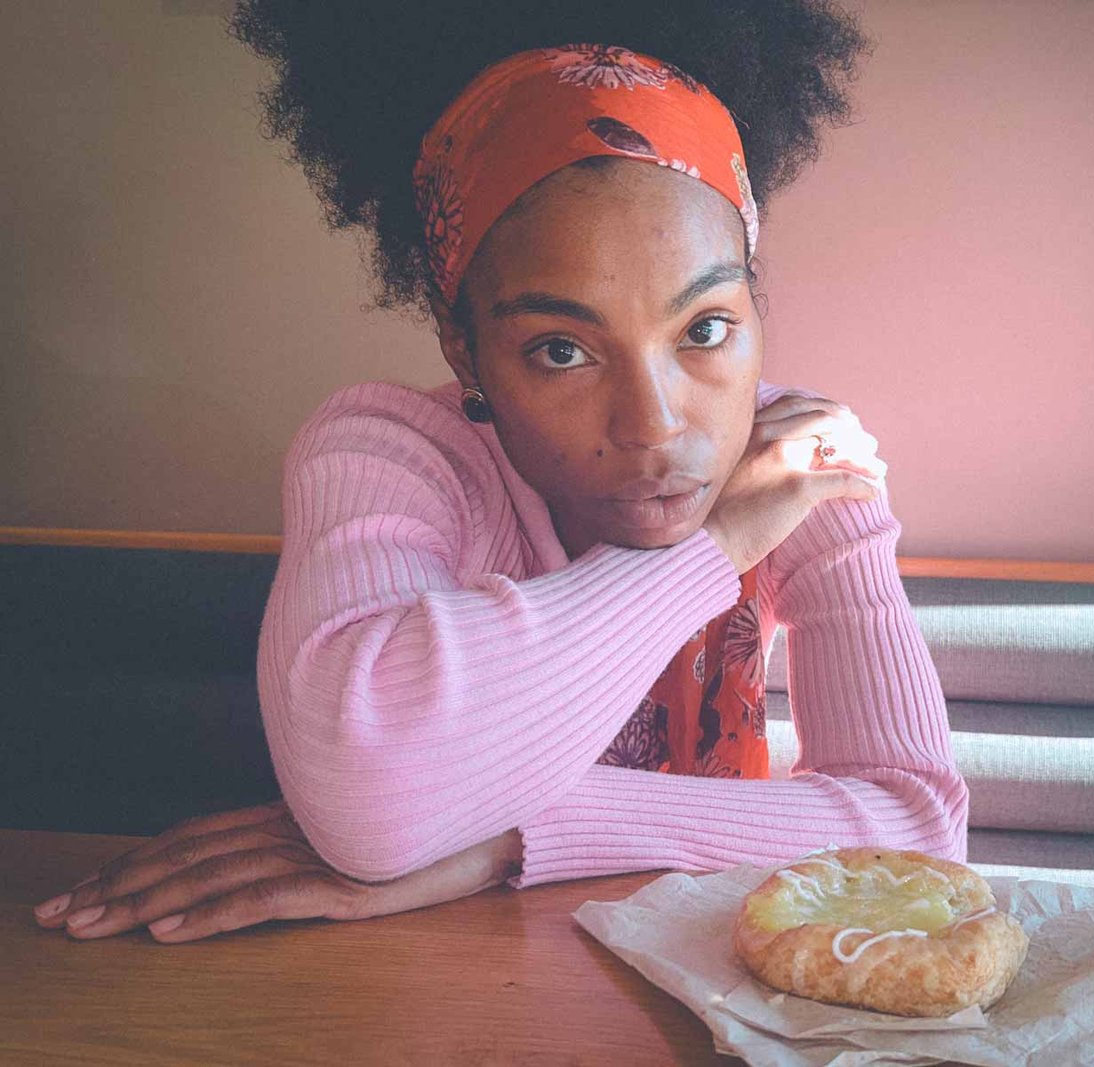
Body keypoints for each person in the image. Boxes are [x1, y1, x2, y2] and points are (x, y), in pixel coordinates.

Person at [33, 0, 966, 944]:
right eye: (562, 348)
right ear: (467, 352)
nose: (653, 426)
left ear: (757, 305)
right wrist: (713, 548)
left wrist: (505, 839)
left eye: (706, 330)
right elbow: (370, 804)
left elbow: (919, 828)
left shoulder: (800, 464)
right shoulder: (385, 452)